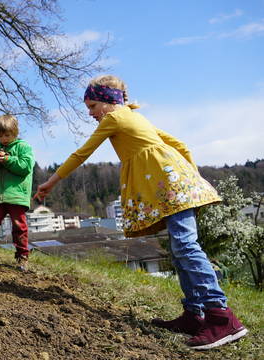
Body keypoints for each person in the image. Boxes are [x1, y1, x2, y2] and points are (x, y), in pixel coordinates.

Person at [33, 75, 247, 350]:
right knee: (179, 248)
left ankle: (221, 318)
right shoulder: (135, 117)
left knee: (185, 246)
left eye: (92, 105)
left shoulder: (115, 119)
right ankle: (195, 315)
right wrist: (191, 176)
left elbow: (81, 154)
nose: (90, 113)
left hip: (171, 185)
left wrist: (51, 182)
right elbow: (181, 145)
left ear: (109, 102)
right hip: (176, 183)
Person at [0, 114, 35, 270]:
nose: (3, 139)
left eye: (7, 135)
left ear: (15, 133)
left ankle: (22, 256)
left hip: (16, 195)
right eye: (0, 136)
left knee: (19, 226)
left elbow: (26, 167)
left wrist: (8, 160)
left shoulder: (23, 147)